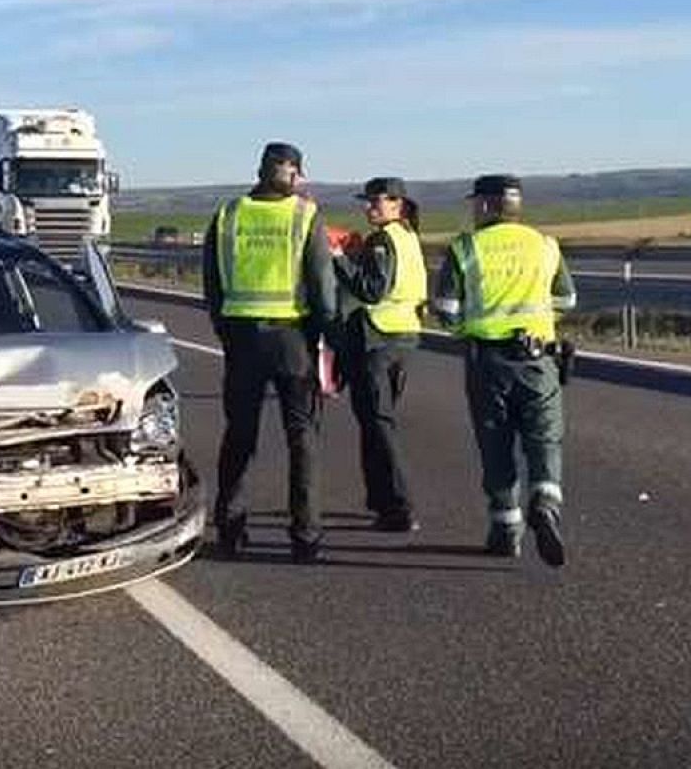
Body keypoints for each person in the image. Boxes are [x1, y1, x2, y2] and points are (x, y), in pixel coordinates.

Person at [203, 142, 338, 562]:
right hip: (292, 338)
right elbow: (322, 283)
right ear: (294, 174)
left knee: (240, 434)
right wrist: (325, 333)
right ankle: (305, 534)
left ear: (259, 170)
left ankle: (229, 526)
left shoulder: (227, 214)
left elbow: (211, 282)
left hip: (242, 337)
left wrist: (226, 329)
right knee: (302, 437)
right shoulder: (304, 214)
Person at [432, 174, 576, 566]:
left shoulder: (466, 248)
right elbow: (566, 298)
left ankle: (506, 531)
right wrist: (537, 321)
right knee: (544, 438)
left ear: (484, 205)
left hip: (488, 362)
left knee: (496, 446)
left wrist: (471, 329)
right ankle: (545, 502)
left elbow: (445, 311)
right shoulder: (545, 246)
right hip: (539, 359)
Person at [332, 177, 427, 532]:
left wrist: (340, 259)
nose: (368, 207)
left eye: (376, 202)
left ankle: (399, 506)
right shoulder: (408, 236)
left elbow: (372, 291)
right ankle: (382, 502)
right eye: (367, 201)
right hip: (404, 337)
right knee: (376, 423)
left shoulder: (383, 241)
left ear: (397, 204)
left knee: (378, 425)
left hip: (378, 339)